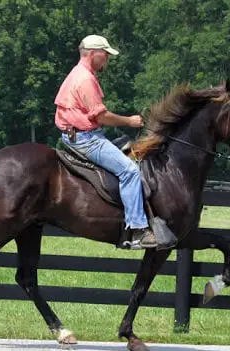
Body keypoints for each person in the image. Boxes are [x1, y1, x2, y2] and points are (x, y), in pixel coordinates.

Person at [54, 34, 168, 249]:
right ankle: (138, 230)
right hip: (86, 139)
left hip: (76, 135)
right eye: (105, 54)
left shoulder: (77, 74)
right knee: (130, 171)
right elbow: (101, 117)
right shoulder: (86, 79)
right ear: (93, 54)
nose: (107, 58)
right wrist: (130, 121)